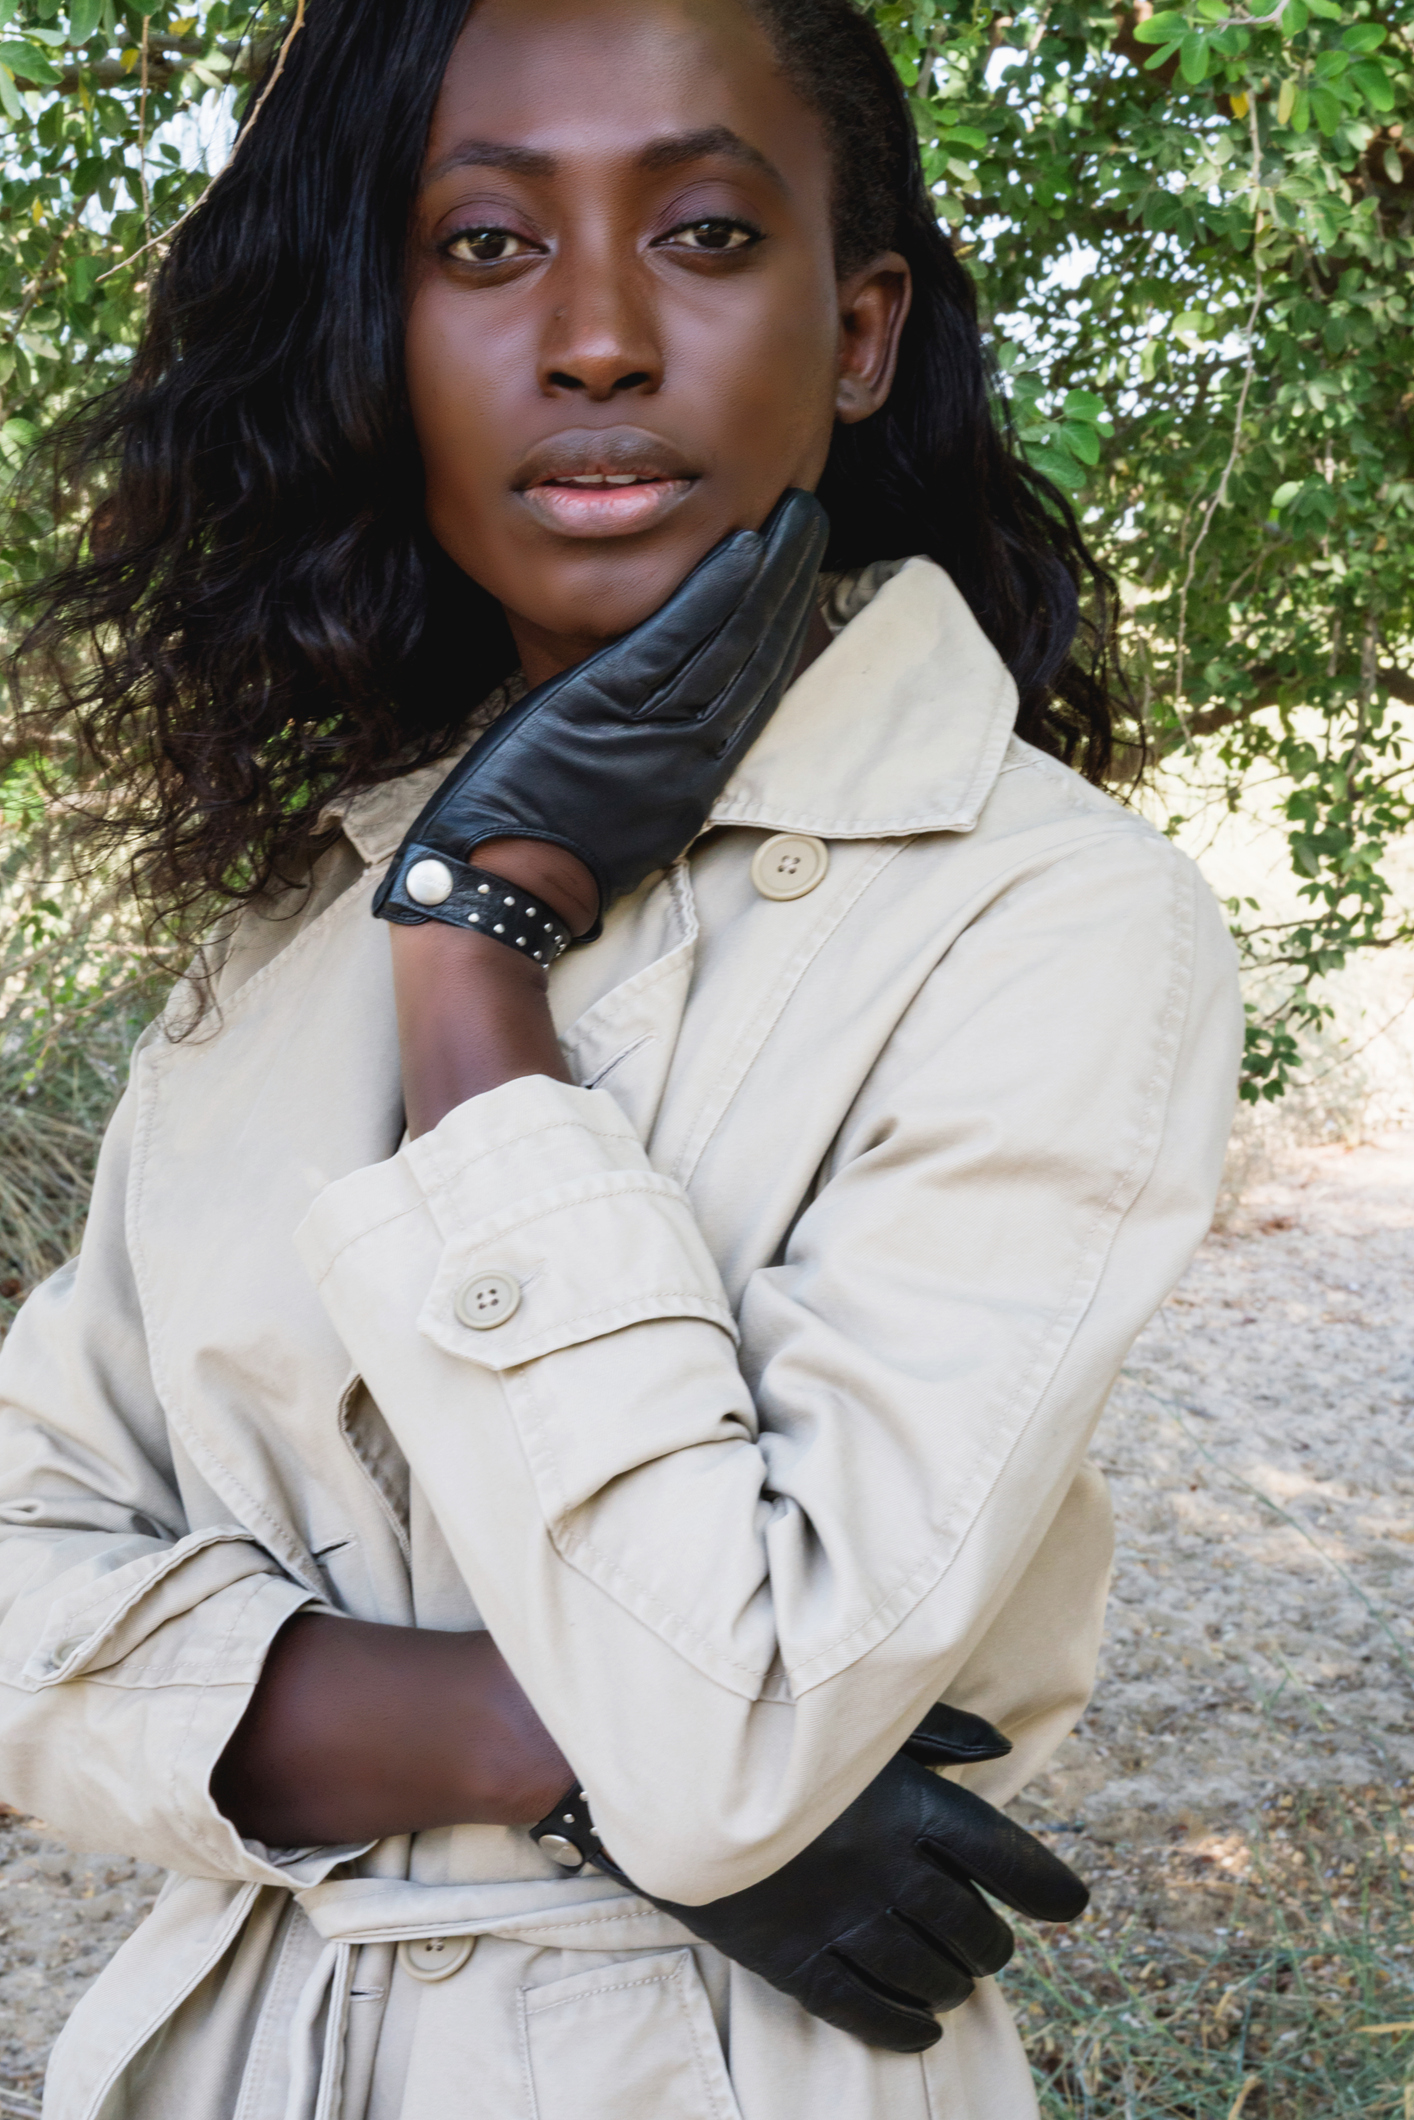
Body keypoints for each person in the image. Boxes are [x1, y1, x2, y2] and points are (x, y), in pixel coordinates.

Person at [0, 1, 1243, 2115]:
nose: (590, 339)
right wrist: (544, 1745)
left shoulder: (1044, 919)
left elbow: (738, 1731)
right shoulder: (299, 918)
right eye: (481, 247)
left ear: (856, 334)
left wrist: (483, 951)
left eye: (697, 234)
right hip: (231, 2053)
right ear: (376, 334)